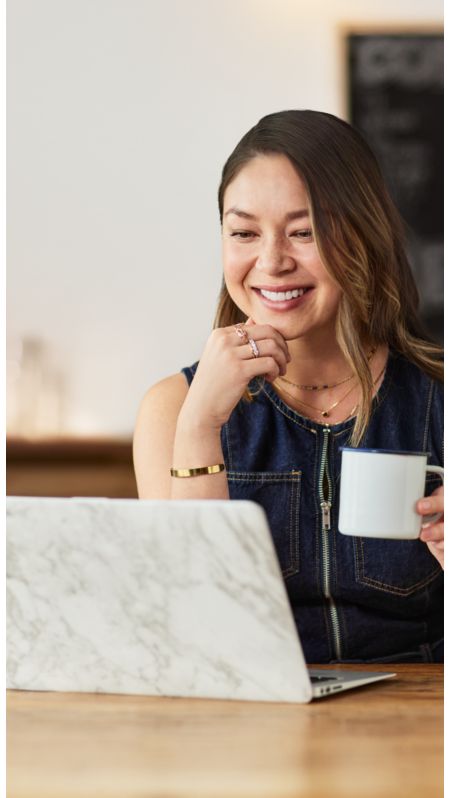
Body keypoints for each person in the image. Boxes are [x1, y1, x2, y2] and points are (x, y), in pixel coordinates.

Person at [134, 110, 443, 664]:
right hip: (250, 724)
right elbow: (189, 631)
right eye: (244, 232)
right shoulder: (173, 410)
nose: (272, 262)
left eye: (305, 232)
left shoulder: (436, 396)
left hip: (419, 722)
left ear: (363, 236)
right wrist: (201, 426)